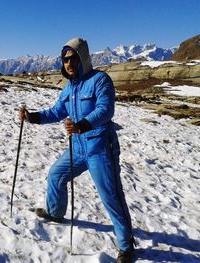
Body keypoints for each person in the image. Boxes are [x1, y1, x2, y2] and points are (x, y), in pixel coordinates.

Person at [18, 37, 135, 263]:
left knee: (111, 196)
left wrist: (82, 125)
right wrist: (31, 117)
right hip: (79, 148)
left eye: (73, 58)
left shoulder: (100, 80)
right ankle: (55, 213)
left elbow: (106, 110)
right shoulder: (69, 87)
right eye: (64, 60)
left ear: (83, 58)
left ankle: (126, 246)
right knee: (56, 175)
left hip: (100, 147)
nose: (68, 63)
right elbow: (56, 112)